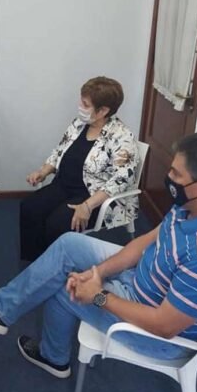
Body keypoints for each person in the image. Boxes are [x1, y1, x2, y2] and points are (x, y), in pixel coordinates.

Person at [0, 131, 197, 379]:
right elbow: (145, 241)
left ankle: (53, 358)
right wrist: (99, 272)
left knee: (68, 287)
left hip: (156, 331)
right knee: (70, 244)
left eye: (176, 174)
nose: (168, 177)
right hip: (145, 276)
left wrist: (98, 296)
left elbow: (164, 326)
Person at [20, 76, 139, 262]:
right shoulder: (78, 124)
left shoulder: (122, 136)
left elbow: (122, 179)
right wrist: (43, 171)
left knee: (57, 224)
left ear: (103, 110)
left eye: (85, 104)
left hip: (92, 195)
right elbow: (59, 151)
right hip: (63, 186)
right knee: (29, 208)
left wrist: (87, 206)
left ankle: (56, 267)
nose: (80, 106)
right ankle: (34, 262)